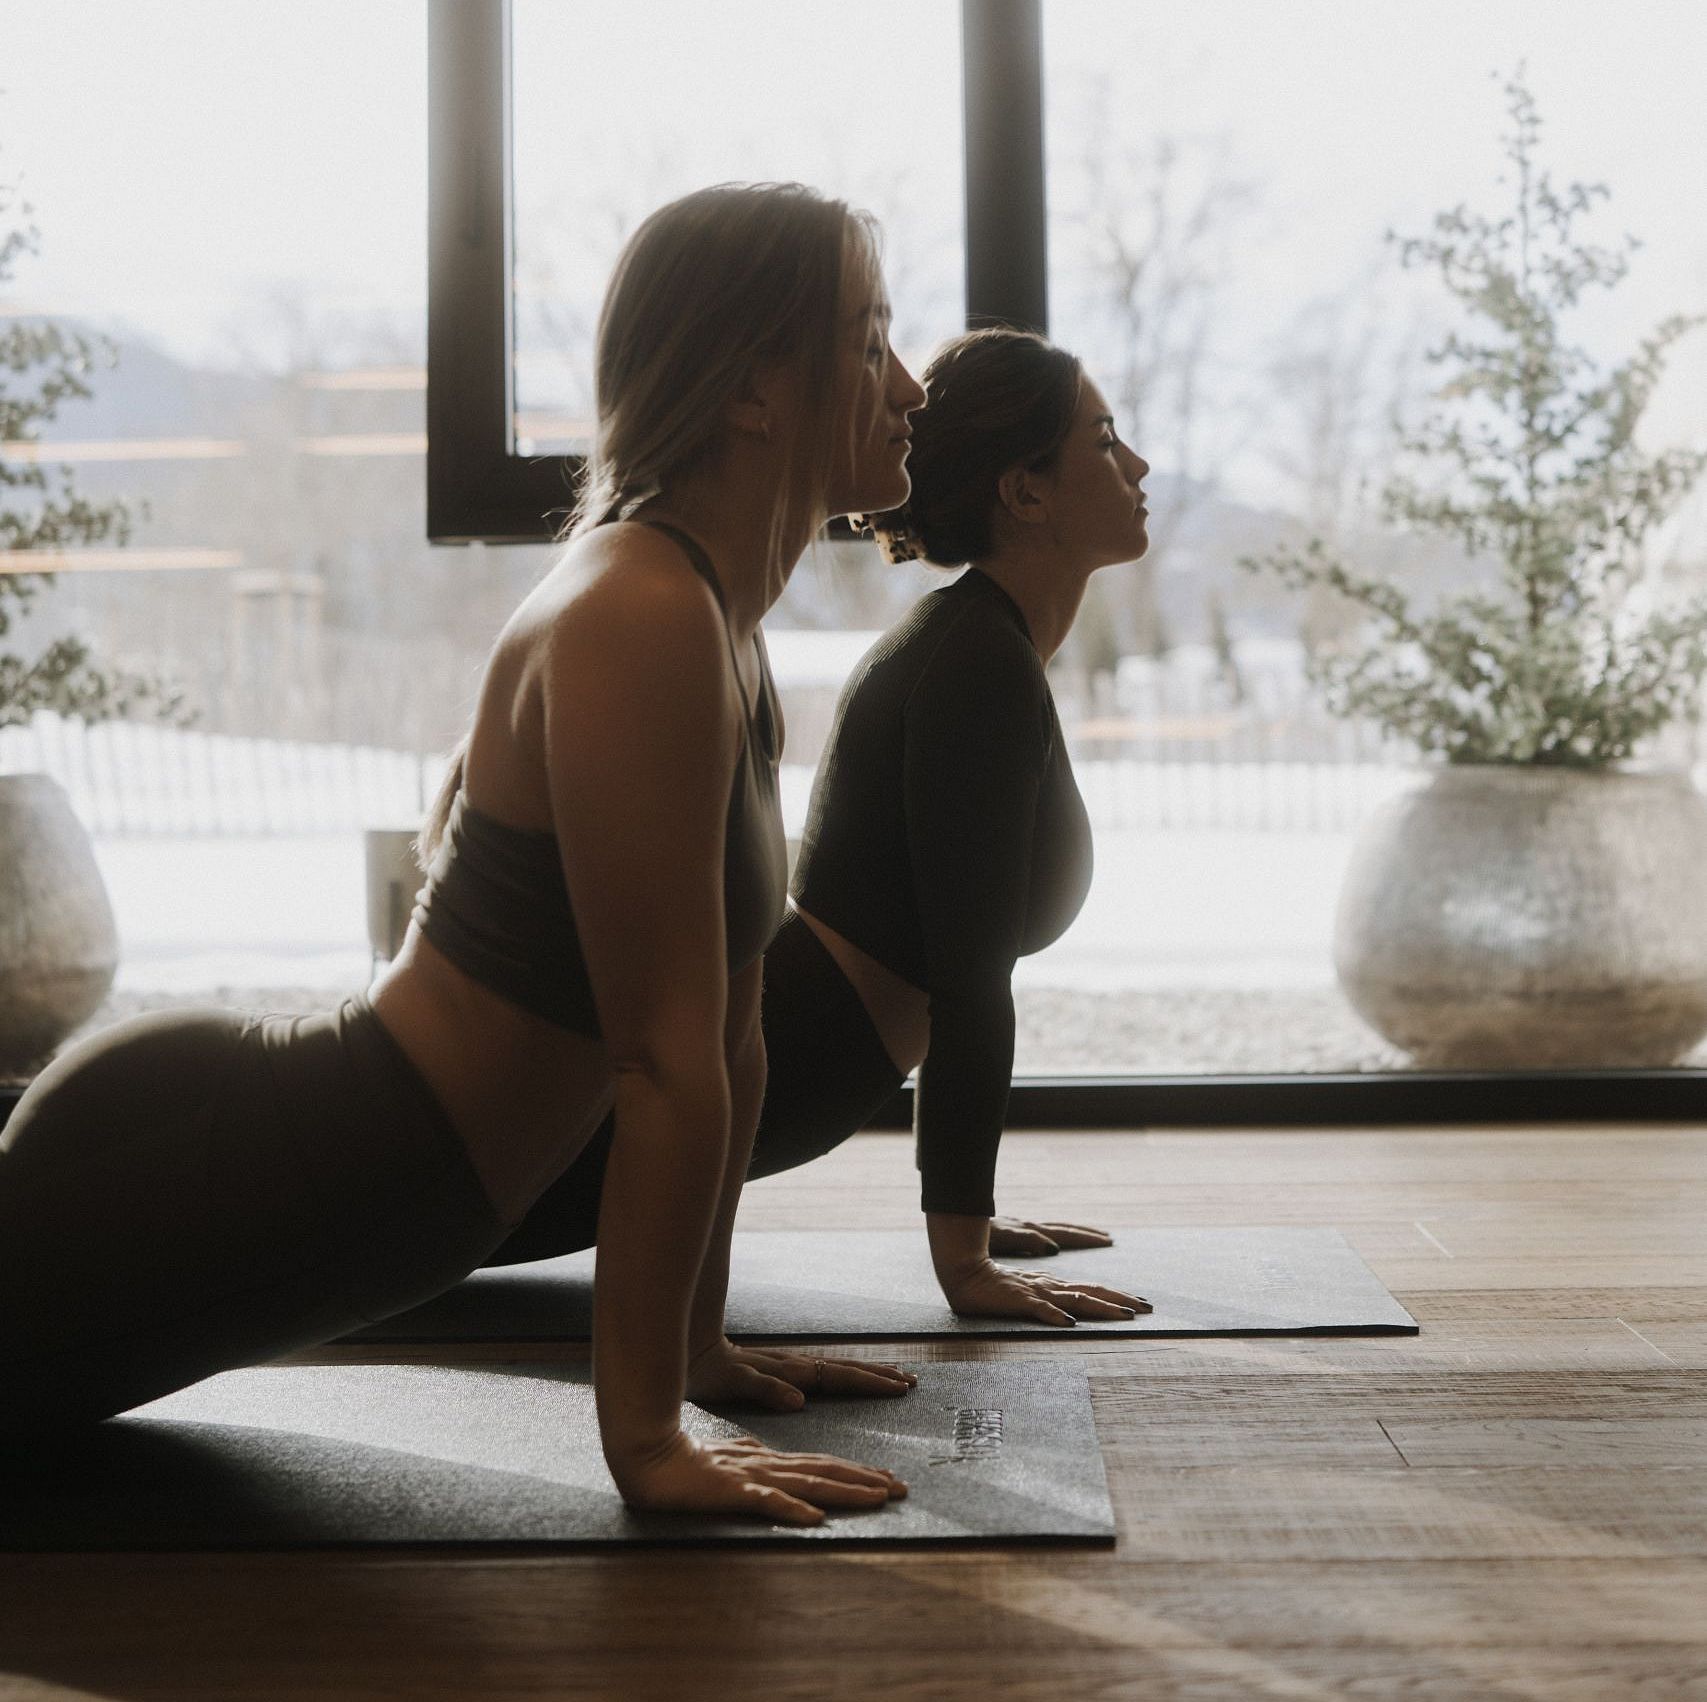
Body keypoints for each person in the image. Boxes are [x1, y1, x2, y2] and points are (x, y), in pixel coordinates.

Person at [0, 182, 927, 1528]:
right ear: (750, 387)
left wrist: (697, 1350)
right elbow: (659, 1063)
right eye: (866, 339)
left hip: (361, 1194)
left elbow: (732, 1040)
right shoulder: (639, 611)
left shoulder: (718, 622)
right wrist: (649, 1440)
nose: (905, 386)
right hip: (238, 1169)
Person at [488, 328, 1154, 1328]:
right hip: (772, 1065)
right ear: (1026, 490)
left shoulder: (982, 646)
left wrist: (970, 1214)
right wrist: (963, 1254)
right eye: (1105, 441)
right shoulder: (975, 665)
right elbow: (970, 978)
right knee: (407, 1240)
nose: (1138, 464)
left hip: (800, 1063)